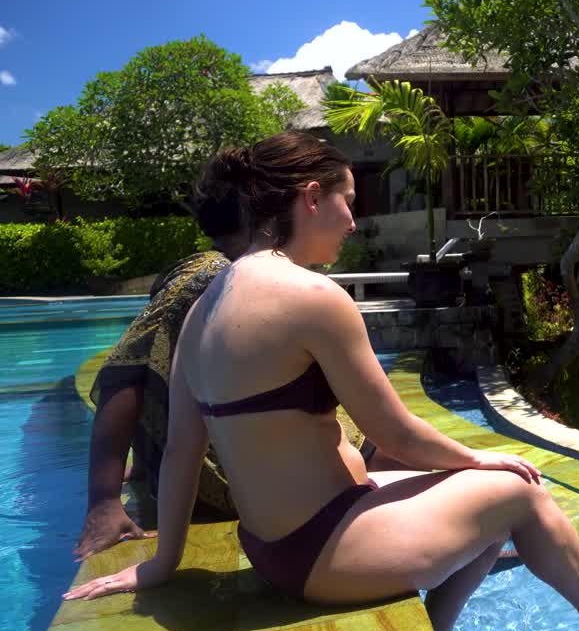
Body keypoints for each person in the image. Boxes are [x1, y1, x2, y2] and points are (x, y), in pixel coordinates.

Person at [64, 131, 579, 631]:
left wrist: (164, 563)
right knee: (517, 490)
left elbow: (180, 452)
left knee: (478, 505)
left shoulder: (202, 312)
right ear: (311, 199)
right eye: (347, 201)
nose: (353, 220)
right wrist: (481, 457)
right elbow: (393, 432)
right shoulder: (314, 297)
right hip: (327, 551)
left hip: (274, 550)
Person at [73, 164, 387, 561]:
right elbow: (126, 369)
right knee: (421, 465)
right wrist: (104, 502)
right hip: (262, 478)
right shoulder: (211, 275)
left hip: (275, 459)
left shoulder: (242, 277)